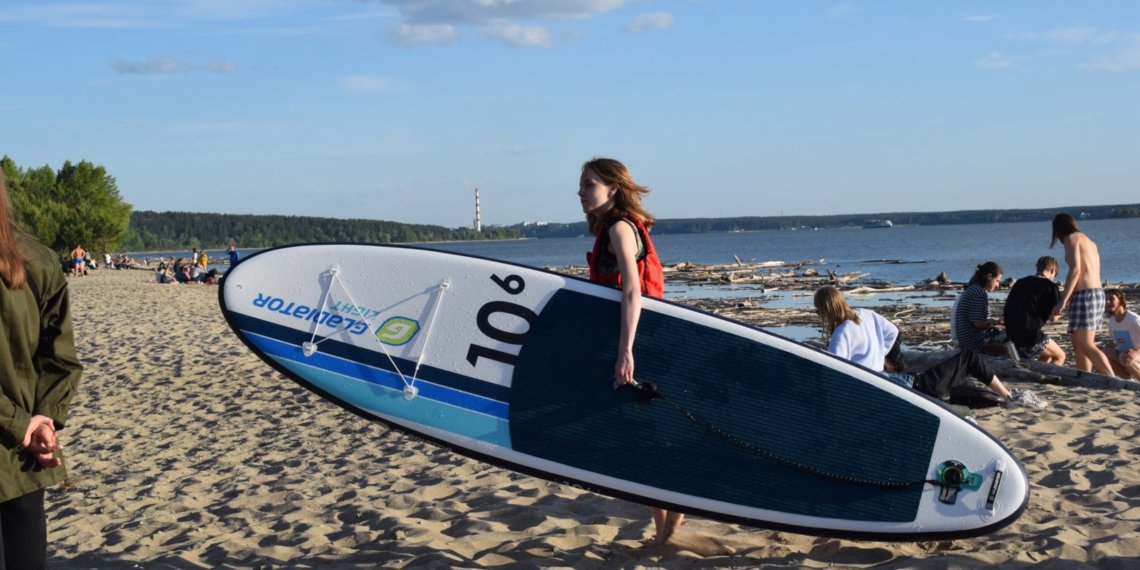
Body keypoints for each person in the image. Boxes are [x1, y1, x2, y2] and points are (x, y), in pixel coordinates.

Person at [578, 157, 675, 545]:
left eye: (589, 185)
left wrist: (626, 351)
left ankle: (669, 533)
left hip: (643, 342)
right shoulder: (612, 228)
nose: (581, 193)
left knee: (651, 443)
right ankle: (664, 534)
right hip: (637, 341)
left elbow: (632, 290)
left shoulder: (619, 227)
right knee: (644, 443)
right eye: (582, 185)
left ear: (612, 188)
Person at [0, 175, 83, 568]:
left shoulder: (36, 261)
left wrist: (38, 421)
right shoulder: (38, 258)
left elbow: (59, 355)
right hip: (24, 451)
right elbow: (61, 356)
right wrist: (38, 422)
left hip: (21, 450)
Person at [814, 286, 1045, 408]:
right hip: (895, 381)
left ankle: (1007, 396)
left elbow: (834, 372)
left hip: (905, 386)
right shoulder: (864, 315)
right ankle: (1006, 395)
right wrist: (882, 355)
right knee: (967, 363)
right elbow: (893, 332)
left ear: (825, 310)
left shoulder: (841, 332)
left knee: (968, 359)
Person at [1050, 213, 1115, 376]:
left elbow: (1076, 270)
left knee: (1086, 344)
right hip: (1093, 293)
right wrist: (1071, 296)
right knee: (1078, 343)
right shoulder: (1089, 242)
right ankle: (1084, 377)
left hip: (1087, 295)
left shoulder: (1071, 239)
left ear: (1058, 229)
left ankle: (1112, 379)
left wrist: (1063, 301)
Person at [1003, 256, 1066, 365]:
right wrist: (1063, 309)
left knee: (1046, 357)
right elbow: (1053, 318)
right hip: (1030, 336)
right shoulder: (1050, 287)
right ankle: (1049, 380)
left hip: (1011, 333)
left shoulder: (1020, 282)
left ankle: (1038, 375)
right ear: (1053, 271)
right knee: (1060, 356)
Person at [951, 262, 1006, 353]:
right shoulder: (978, 293)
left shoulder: (974, 289)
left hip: (967, 341)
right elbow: (979, 324)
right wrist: (996, 322)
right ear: (989, 276)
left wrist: (998, 323)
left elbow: (978, 321)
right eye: (997, 281)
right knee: (1014, 333)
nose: (998, 285)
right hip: (974, 343)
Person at [1101, 289, 1140, 380]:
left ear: (1121, 300)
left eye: (1111, 299)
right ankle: (1129, 381)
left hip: (1136, 353)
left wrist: (1136, 352)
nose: (1108, 302)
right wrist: (1101, 349)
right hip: (1125, 353)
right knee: (1104, 354)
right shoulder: (1111, 322)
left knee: (1124, 356)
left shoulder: (1134, 319)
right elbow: (1115, 342)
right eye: (1105, 300)